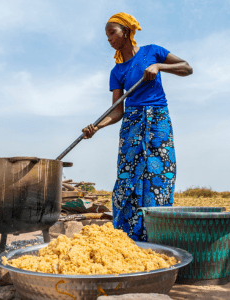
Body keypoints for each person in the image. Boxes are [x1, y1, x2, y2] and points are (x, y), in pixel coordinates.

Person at [82, 12, 193, 241]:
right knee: (128, 179)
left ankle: (157, 238)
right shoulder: (117, 72)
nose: (109, 38)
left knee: (158, 175)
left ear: (126, 31)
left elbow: (187, 68)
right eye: (107, 35)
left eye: (112, 32)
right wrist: (96, 127)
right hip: (132, 125)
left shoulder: (152, 51)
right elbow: (116, 111)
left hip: (157, 121)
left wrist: (159, 67)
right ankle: (127, 239)